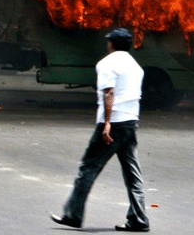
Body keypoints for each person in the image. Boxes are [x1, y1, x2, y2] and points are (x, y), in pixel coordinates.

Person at [50, 28, 150, 232]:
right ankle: (139, 219)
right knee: (132, 174)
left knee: (88, 168)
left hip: (114, 123)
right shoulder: (136, 67)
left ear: (111, 44)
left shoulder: (106, 64)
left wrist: (106, 124)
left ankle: (73, 215)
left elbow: (109, 93)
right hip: (131, 122)